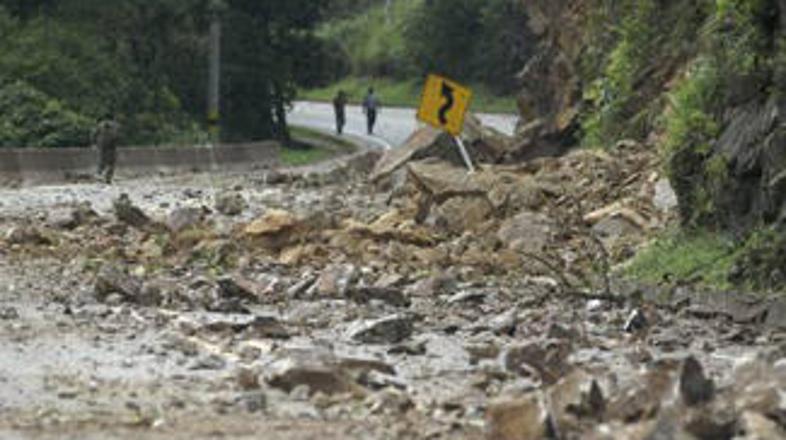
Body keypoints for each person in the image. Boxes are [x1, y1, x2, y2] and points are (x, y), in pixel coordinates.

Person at [94, 114, 121, 184]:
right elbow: (117, 136)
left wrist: (95, 143)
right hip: (111, 146)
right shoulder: (116, 125)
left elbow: (94, 134)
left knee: (101, 160)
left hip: (101, 145)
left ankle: (99, 174)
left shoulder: (100, 125)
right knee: (111, 163)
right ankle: (108, 178)